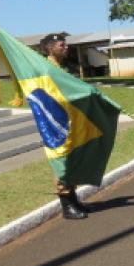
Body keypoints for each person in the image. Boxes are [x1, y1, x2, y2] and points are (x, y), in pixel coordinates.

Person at [39, 32, 89, 220]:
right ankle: (67, 206)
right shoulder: (45, 68)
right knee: (61, 162)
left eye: (65, 44)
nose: (66, 47)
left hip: (69, 119)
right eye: (62, 45)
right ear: (50, 48)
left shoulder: (61, 68)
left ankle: (73, 199)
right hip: (55, 122)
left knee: (71, 160)